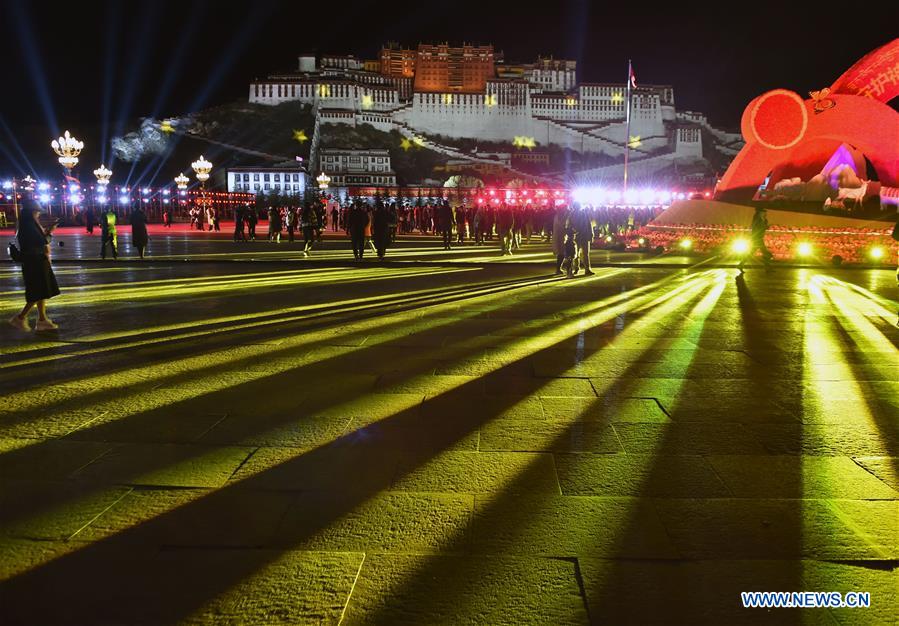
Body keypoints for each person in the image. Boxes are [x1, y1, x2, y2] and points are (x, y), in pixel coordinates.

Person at [9, 201, 60, 331]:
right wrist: (50, 232)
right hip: (34, 261)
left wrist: (47, 232)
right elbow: (42, 241)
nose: (38, 214)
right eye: (37, 212)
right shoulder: (29, 225)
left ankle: (42, 320)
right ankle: (20, 318)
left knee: (41, 289)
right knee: (37, 291)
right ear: (31, 212)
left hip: (35, 260)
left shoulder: (27, 224)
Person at [739, 207, 773, 273]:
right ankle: (767, 267)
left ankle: (741, 264)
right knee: (764, 252)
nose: (765, 213)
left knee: (753, 252)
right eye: (763, 212)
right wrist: (765, 227)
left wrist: (766, 226)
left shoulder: (764, 219)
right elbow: (756, 228)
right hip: (756, 238)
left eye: (765, 212)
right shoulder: (757, 219)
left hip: (759, 237)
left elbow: (763, 227)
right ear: (759, 213)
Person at [571, 204, 595, 276]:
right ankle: (585, 269)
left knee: (578, 253)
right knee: (582, 253)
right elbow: (589, 224)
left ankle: (578, 268)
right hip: (581, 235)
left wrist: (591, 234)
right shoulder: (582, 214)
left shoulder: (574, 214)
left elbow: (588, 224)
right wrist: (591, 234)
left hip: (579, 236)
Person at [552, 207, 569, 275]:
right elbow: (562, 225)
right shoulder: (559, 217)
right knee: (561, 253)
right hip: (559, 237)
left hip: (560, 237)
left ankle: (559, 268)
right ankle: (558, 268)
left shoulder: (558, 216)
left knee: (561, 253)